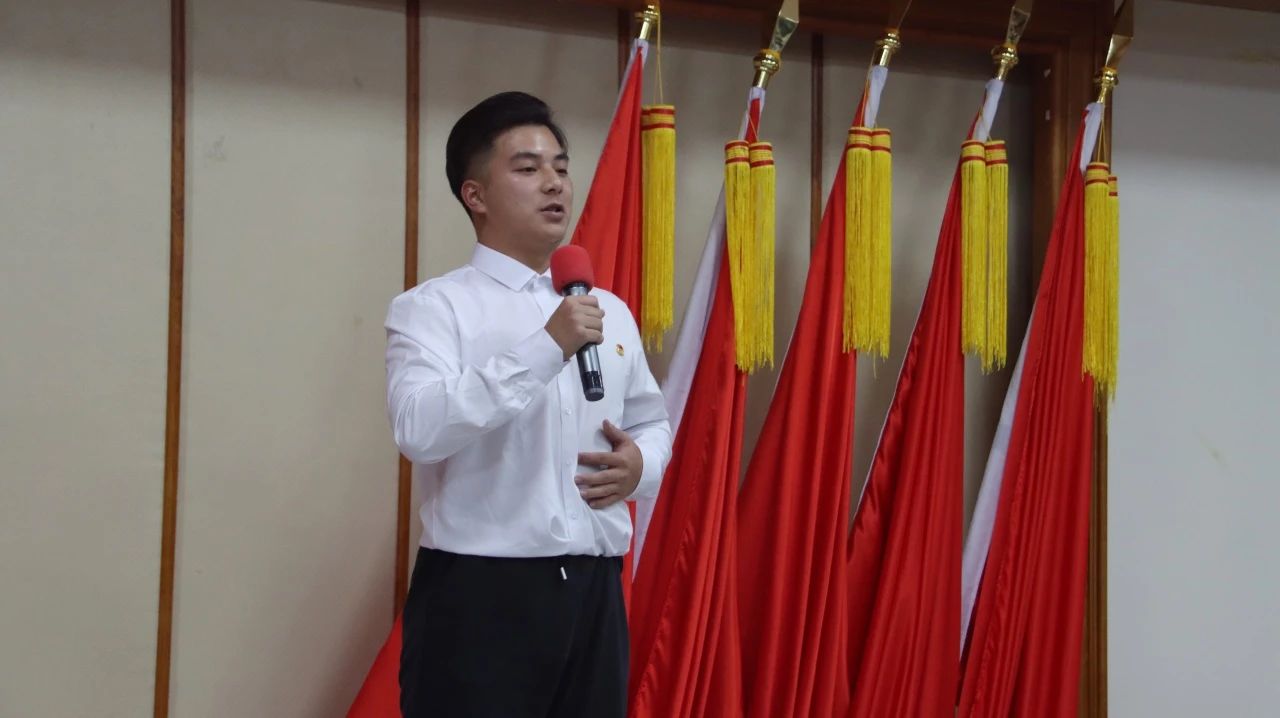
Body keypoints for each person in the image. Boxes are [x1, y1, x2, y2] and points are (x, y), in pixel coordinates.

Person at [384, 91, 672, 718]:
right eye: (528, 167)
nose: (554, 183)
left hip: (595, 592)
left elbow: (651, 420)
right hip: (481, 596)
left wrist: (640, 466)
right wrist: (546, 347)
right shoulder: (433, 309)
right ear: (475, 195)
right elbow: (418, 429)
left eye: (561, 167)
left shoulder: (608, 309)